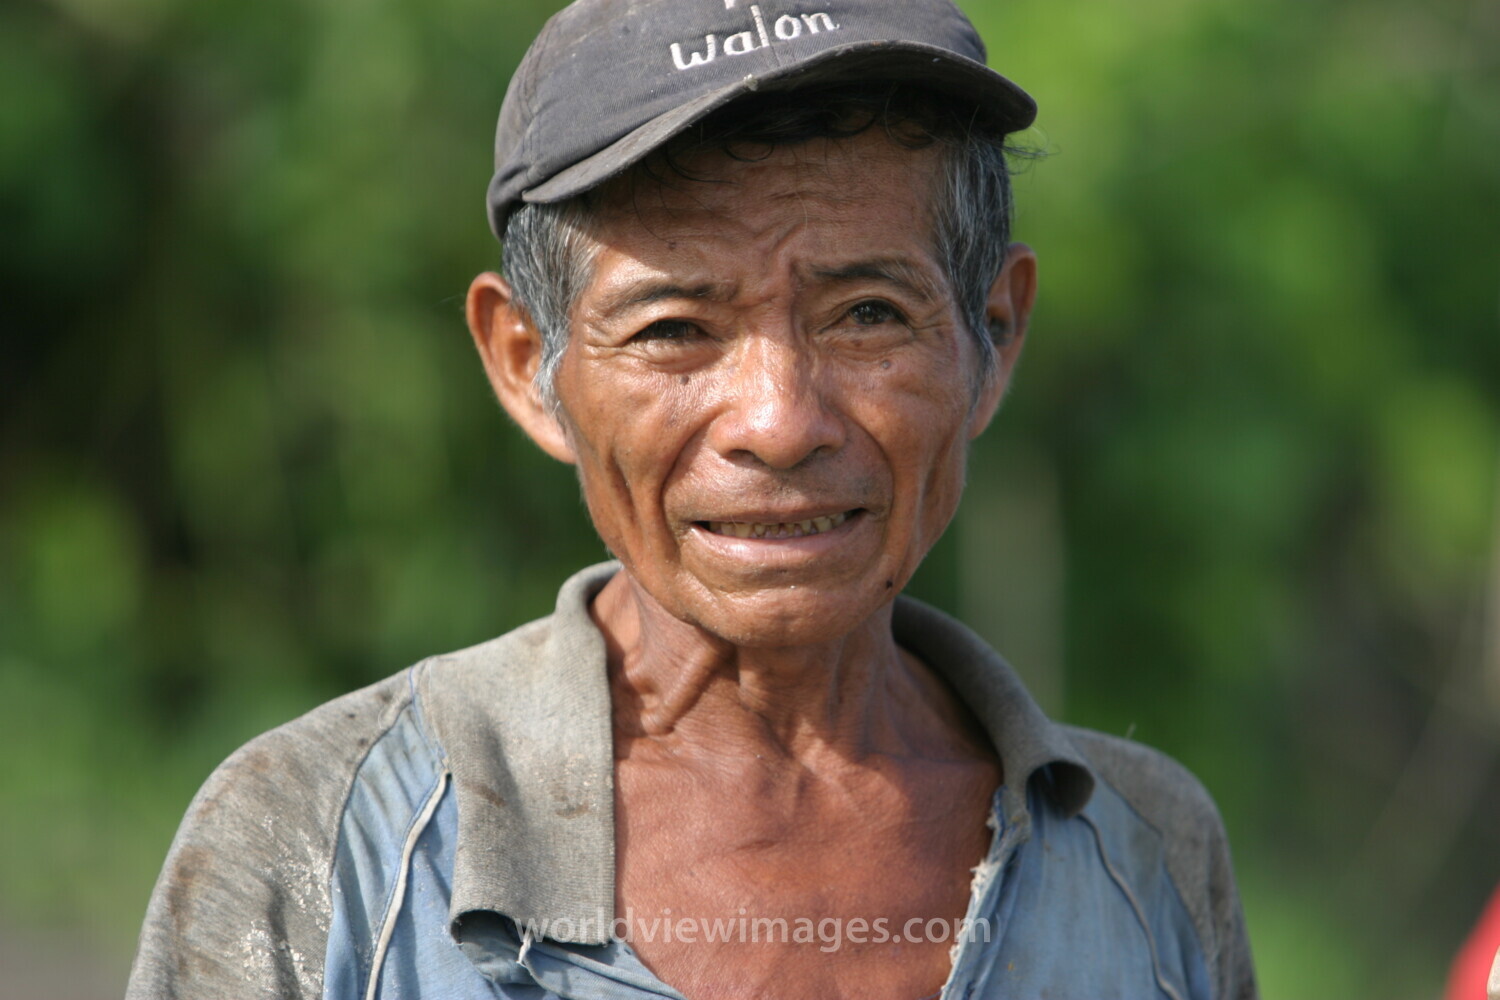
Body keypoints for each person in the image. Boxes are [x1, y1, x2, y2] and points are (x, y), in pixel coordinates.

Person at [127, 0, 1258, 997]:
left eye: (867, 312)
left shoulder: (1144, 856)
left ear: (992, 338)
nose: (778, 420)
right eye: (674, 330)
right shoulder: (324, 850)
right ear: (528, 367)